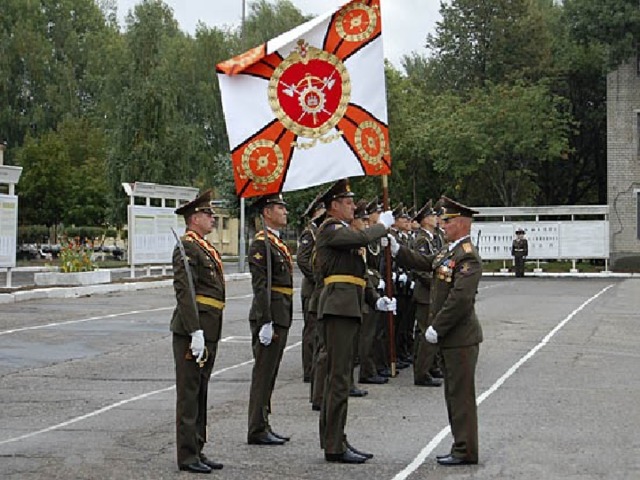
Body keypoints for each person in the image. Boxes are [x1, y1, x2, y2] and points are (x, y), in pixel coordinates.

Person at [389, 196, 483, 466]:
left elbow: (460, 300)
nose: (442, 224)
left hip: (460, 338)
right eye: (442, 219)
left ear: (462, 223)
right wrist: (398, 251)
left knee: (461, 397)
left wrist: (436, 328)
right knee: (454, 395)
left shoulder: (467, 256)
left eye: (448, 220)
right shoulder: (448, 250)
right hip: (450, 337)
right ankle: (460, 446)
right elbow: (425, 261)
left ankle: (465, 450)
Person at [315, 178, 396, 464]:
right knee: (338, 378)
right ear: (333, 206)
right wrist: (382, 226)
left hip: (348, 306)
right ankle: (334, 445)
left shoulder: (344, 232)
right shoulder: (330, 229)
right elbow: (361, 239)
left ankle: (334, 438)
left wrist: (376, 300)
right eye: (348, 203)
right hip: (338, 308)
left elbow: (357, 273)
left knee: (340, 376)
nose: (353, 207)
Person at [170, 189, 225, 474]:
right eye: (207, 214)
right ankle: (187, 455)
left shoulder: (202, 246)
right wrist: (194, 331)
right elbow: (184, 293)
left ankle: (198, 448)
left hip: (210, 327)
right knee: (189, 394)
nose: (212, 218)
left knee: (201, 392)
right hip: (194, 330)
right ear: (194, 219)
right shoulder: (187, 247)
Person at [247, 193, 293, 446]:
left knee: (271, 373)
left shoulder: (275, 242)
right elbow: (261, 286)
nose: (285, 211)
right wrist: (265, 321)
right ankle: (256, 428)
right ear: (267, 212)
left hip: (280, 314)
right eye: (279, 207)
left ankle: (263, 423)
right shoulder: (261, 244)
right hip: (270, 317)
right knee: (263, 374)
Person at [411, 200, 443, 387]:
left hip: (431, 291)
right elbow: (420, 268)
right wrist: (436, 284)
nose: (435, 219)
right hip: (425, 292)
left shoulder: (432, 238)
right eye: (431, 216)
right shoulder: (422, 240)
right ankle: (422, 372)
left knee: (431, 330)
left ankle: (430, 366)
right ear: (423, 221)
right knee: (424, 332)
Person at [297, 196, 326, 383]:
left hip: (320, 289)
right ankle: (309, 370)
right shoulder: (310, 233)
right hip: (311, 289)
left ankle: (315, 367)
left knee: (319, 331)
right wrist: (316, 278)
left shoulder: (321, 232)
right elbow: (302, 259)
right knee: (311, 331)